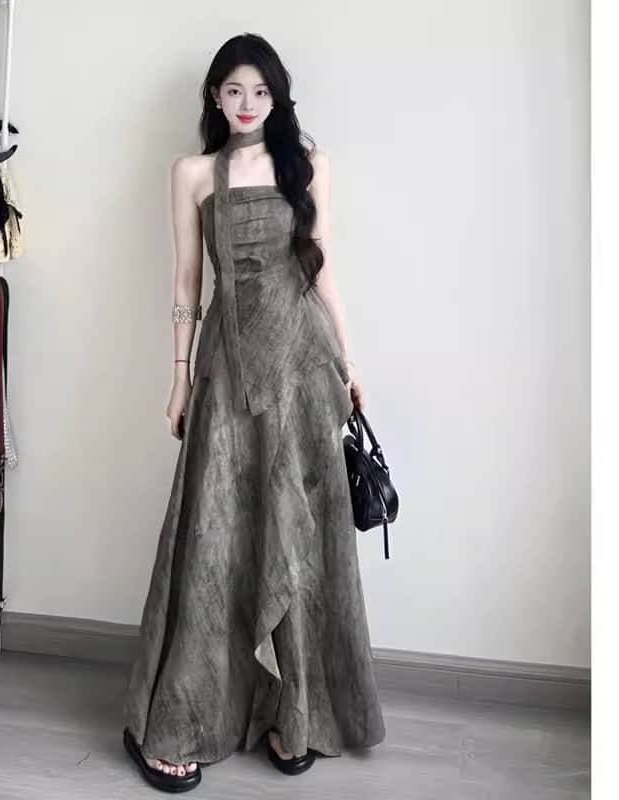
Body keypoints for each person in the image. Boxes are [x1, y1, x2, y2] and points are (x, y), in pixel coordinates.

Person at [122, 32, 386, 793]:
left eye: (261, 91)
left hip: (303, 368)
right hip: (227, 367)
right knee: (215, 538)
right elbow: (186, 284)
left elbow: (323, 270)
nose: (247, 103)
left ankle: (293, 714)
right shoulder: (192, 172)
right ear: (215, 95)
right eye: (234, 90)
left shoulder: (310, 165)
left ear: (278, 96)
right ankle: (182, 717)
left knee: (298, 537)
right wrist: (178, 381)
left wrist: (350, 365)